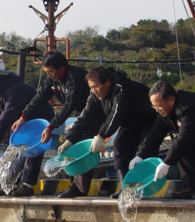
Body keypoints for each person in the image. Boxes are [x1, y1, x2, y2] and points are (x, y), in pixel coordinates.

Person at [58, 66, 157, 198]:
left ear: (108, 82)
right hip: (130, 123)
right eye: (91, 87)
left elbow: (117, 115)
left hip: (149, 119)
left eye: (96, 86)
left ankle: (147, 188)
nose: (94, 91)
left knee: (145, 149)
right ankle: (126, 188)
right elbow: (85, 117)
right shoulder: (95, 95)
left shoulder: (122, 88)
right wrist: (70, 140)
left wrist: (101, 136)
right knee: (120, 147)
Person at [0, 67, 54, 197]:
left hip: (39, 118)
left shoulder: (15, 90)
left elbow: (8, 115)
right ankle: (10, 185)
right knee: (14, 151)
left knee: (32, 149)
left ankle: (27, 185)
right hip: (20, 122)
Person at [12, 50, 90, 195]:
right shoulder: (53, 79)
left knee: (78, 144)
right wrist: (24, 117)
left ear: (62, 67)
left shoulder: (74, 77)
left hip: (95, 113)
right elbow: (40, 97)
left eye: (51, 71)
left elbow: (69, 105)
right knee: (70, 145)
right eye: (46, 72)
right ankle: (75, 186)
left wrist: (51, 126)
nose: (49, 74)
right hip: (83, 114)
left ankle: (79, 189)